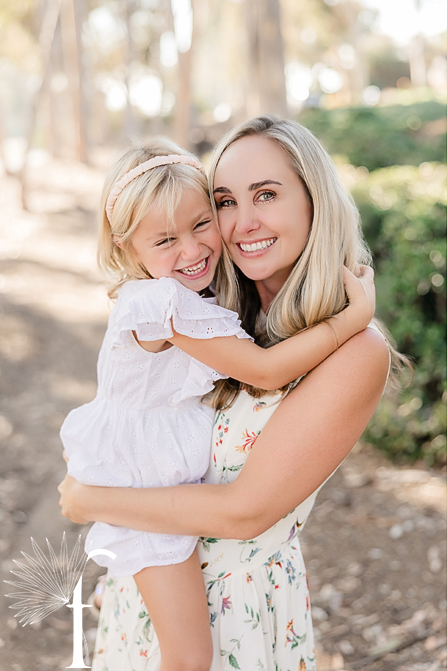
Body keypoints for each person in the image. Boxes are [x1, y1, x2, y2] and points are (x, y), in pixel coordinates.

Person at [58, 116, 399, 670]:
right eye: (224, 200)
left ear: (315, 200)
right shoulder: (213, 308)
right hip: (150, 590)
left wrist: (93, 501)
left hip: (240, 613)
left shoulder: (355, 352)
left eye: (266, 194)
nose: (241, 223)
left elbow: (242, 513)